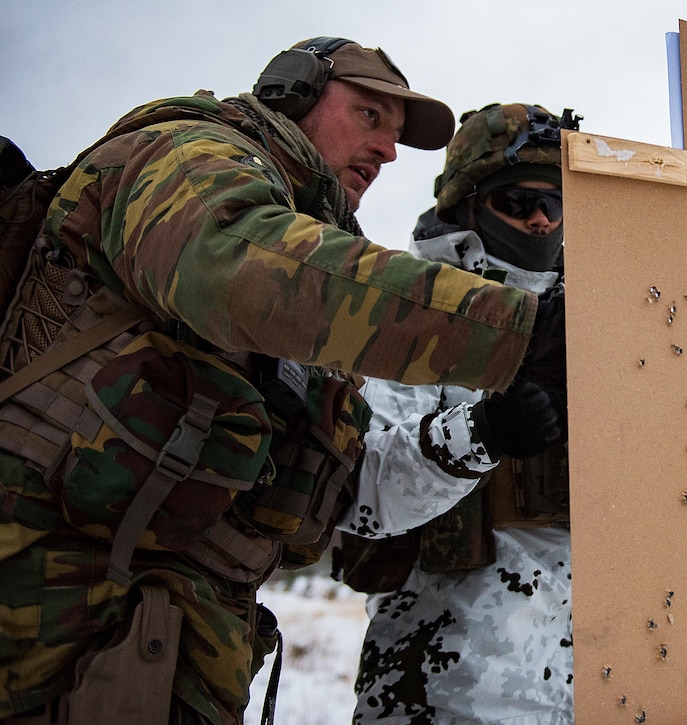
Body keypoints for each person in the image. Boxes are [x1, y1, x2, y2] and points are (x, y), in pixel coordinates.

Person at [0, 40, 565, 725]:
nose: (388, 150)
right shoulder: (187, 155)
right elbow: (239, 267)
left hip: (167, 642)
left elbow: (353, 488)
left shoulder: (322, 297)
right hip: (50, 613)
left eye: (393, 135)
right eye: (368, 114)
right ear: (292, 95)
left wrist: (480, 434)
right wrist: (513, 332)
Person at [336, 103, 578, 723]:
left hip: (597, 686)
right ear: (468, 206)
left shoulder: (607, 319)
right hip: (445, 687)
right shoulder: (407, 314)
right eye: (519, 201)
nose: (542, 221)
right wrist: (485, 431)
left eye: (558, 203)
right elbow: (358, 494)